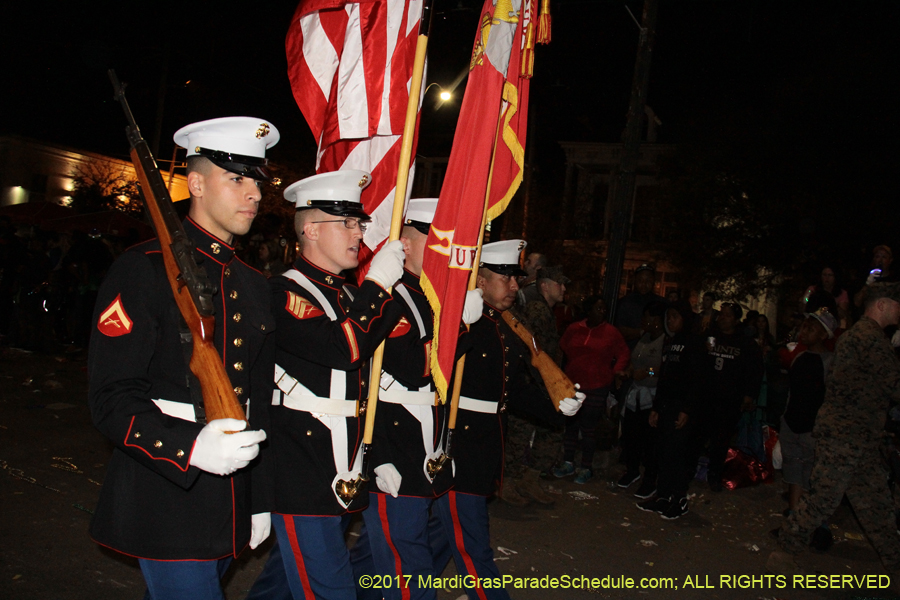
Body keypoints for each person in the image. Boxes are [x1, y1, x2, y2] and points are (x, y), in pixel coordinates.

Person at [87, 117, 279, 599]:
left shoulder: (253, 284)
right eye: (236, 179)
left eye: (258, 182)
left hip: (231, 497)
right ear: (195, 183)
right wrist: (189, 447)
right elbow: (112, 397)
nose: (254, 194)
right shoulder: (143, 268)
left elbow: (259, 401)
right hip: (166, 493)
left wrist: (259, 496)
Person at [251, 170, 406, 600]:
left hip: (344, 465)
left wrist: (378, 454)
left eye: (359, 223)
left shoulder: (350, 296)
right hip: (302, 469)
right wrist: (378, 286)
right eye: (347, 223)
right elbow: (344, 349)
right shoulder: (283, 292)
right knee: (331, 588)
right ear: (312, 230)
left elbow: (365, 388)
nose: (359, 233)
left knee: (283, 582)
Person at [432, 239, 584, 600]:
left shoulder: (508, 325)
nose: (515, 286)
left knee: (437, 541)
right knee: (473, 546)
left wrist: (556, 407)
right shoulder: (459, 320)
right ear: (480, 281)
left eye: (516, 278)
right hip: (458, 445)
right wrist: (460, 324)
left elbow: (512, 388)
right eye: (506, 278)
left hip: (486, 443)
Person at [353, 197, 482, 600]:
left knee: (384, 556)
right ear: (406, 244)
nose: (447, 252)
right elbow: (415, 368)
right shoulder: (392, 298)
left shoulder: (431, 295)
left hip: (426, 444)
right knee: (407, 562)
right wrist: (460, 326)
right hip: (396, 444)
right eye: (438, 242)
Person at [772, 283, 900, 576]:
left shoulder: (858, 336)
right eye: (897, 303)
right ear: (881, 305)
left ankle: (895, 562)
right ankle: (785, 550)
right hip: (847, 437)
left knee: (875, 503)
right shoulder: (870, 339)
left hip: (856, 437)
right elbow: (895, 385)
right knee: (823, 499)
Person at [555, 295, 630, 484]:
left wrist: (616, 371)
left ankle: (586, 467)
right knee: (571, 425)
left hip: (597, 385)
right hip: (572, 384)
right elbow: (563, 346)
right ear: (588, 310)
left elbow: (623, 353)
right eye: (598, 308)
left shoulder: (611, 332)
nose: (602, 312)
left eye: (604, 309)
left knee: (589, 427)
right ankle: (568, 462)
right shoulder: (575, 328)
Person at [689, 302, 763, 492]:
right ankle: (689, 470)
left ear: (736, 320)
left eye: (728, 315)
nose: (723, 318)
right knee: (697, 437)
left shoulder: (745, 343)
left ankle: (714, 476)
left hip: (729, 400)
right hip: (707, 397)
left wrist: (749, 395)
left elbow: (754, 371)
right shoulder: (710, 336)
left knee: (720, 440)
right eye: (721, 314)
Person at [637, 300, 698, 520]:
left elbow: (696, 379)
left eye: (674, 316)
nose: (670, 320)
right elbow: (663, 377)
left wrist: (687, 409)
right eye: (668, 317)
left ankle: (679, 499)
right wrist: (656, 407)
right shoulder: (670, 342)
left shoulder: (694, 342)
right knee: (663, 451)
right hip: (666, 405)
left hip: (681, 407)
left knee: (677, 454)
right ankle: (663, 495)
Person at [779, 309, 836, 516]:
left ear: (823, 334)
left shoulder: (830, 363)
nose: (804, 332)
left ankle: (813, 520)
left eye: (811, 329)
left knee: (812, 474)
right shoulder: (800, 357)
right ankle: (794, 515)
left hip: (813, 429)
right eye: (804, 327)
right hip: (792, 423)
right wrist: (785, 419)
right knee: (793, 471)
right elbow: (792, 393)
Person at [619, 301, 666, 498]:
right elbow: (635, 361)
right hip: (636, 394)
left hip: (652, 397)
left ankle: (650, 480)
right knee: (631, 436)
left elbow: (662, 370)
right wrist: (629, 371)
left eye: (647, 316)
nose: (643, 320)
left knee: (650, 442)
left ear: (657, 320)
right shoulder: (645, 338)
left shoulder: (665, 341)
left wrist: (648, 372)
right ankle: (632, 471)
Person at [522, 264, 569, 365]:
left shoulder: (544, 309)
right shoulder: (538, 311)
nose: (564, 288)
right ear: (545, 286)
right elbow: (537, 352)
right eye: (559, 283)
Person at [615, 263, 665, 349]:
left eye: (648, 281)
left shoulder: (662, 303)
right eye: (640, 280)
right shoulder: (624, 303)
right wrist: (643, 332)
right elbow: (618, 331)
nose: (644, 284)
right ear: (634, 280)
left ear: (654, 281)